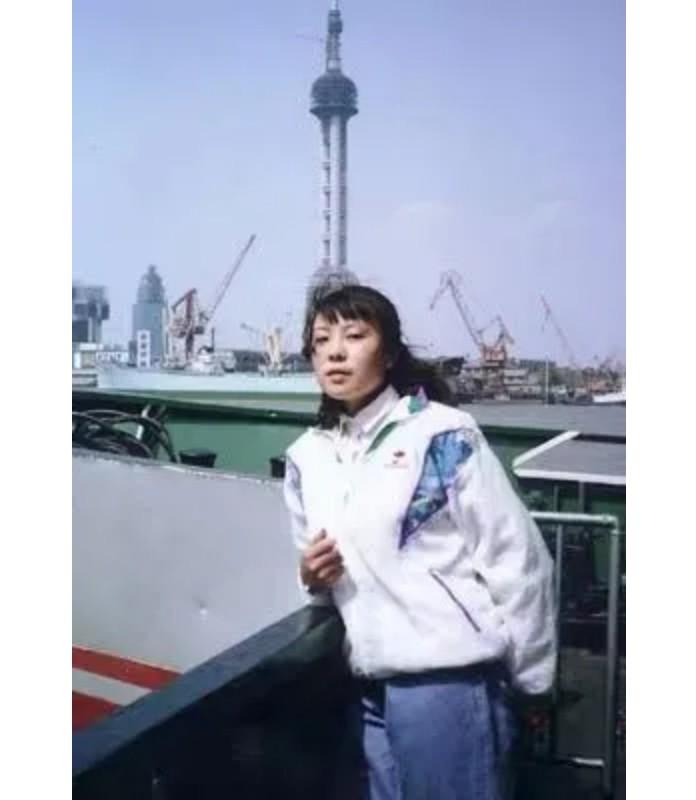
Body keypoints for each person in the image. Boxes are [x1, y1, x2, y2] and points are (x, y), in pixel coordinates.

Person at [283, 283, 556, 800]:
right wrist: (310, 577)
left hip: (447, 685)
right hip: (367, 691)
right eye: (321, 341)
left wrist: (533, 682)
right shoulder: (305, 459)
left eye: (354, 336)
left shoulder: (443, 435)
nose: (335, 352)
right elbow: (319, 586)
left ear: (388, 354)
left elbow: (517, 560)